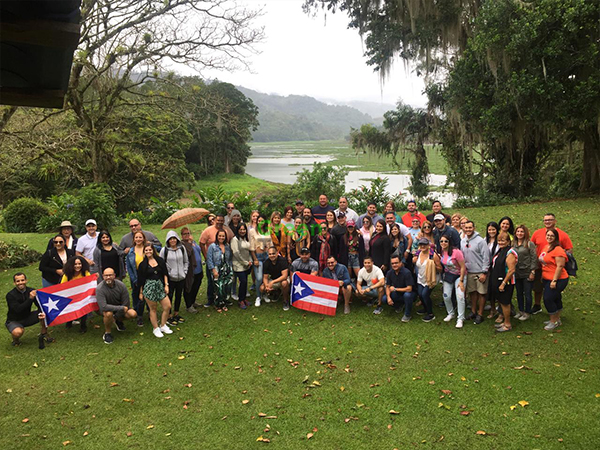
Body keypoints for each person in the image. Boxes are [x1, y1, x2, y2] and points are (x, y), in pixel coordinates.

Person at [531, 213, 573, 315]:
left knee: (552, 291)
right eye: (545, 220)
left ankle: (555, 311)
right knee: (538, 287)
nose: (547, 222)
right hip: (540, 265)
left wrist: (561, 260)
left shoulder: (562, 235)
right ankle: (537, 305)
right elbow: (531, 246)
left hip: (554, 268)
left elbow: (569, 249)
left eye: (550, 220)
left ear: (555, 221)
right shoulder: (537, 233)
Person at [5, 273, 54, 347]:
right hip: (14, 320)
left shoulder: (31, 291)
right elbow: (18, 309)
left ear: (26, 280)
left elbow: (39, 305)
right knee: (17, 332)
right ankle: (16, 340)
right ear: (14, 283)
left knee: (44, 312)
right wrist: (30, 299)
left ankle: (44, 334)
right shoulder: (10, 295)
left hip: (28, 316)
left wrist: (41, 313)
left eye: (22, 280)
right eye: (18, 281)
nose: (20, 282)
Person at [137, 243, 172, 338]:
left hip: (160, 286)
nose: (148, 252)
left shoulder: (160, 261)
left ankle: (163, 325)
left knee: (167, 306)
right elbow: (140, 280)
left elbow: (165, 273)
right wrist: (140, 292)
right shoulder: (142, 265)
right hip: (149, 287)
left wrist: (166, 285)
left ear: (153, 250)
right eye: (146, 250)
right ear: (144, 252)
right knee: (153, 309)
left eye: (150, 250)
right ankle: (155, 328)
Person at [199, 215, 234, 307]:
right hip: (213, 263)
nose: (220, 222)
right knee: (212, 282)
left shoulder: (227, 230)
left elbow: (233, 240)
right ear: (214, 220)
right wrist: (206, 257)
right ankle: (211, 300)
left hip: (225, 264)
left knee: (224, 283)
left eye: (222, 220)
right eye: (218, 220)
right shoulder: (208, 230)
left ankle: (224, 300)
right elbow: (202, 243)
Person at [96, 268, 138, 344]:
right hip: (107, 310)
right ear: (103, 276)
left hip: (120, 309)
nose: (108, 277)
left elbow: (126, 303)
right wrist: (120, 309)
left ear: (114, 275)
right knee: (109, 314)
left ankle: (118, 321)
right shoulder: (99, 288)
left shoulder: (121, 285)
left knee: (133, 314)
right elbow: (103, 307)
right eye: (106, 275)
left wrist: (116, 316)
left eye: (110, 275)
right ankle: (107, 333)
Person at [539, 228, 569, 331]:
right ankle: (557, 318)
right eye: (548, 235)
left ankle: (553, 321)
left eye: (552, 236)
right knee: (556, 297)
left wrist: (554, 280)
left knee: (548, 298)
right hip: (547, 278)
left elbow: (560, 266)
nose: (549, 237)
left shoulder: (558, 250)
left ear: (556, 237)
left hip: (558, 279)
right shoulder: (546, 247)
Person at [461, 221, 490, 325]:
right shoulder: (463, 241)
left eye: (470, 228)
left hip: (480, 272)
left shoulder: (480, 241)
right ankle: (473, 311)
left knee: (481, 293)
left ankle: (480, 314)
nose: (468, 229)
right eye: (466, 228)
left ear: (474, 228)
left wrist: (484, 272)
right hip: (469, 271)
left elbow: (486, 257)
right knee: (472, 292)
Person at [489, 231, 518, 332]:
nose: (500, 242)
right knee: (501, 302)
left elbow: (511, 270)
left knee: (505, 303)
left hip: (506, 282)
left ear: (508, 241)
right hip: (498, 280)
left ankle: (508, 324)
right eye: (499, 240)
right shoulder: (501, 251)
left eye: (503, 240)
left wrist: (503, 283)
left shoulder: (510, 253)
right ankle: (505, 321)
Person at [160, 231, 189, 325]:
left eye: (174, 238)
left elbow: (186, 261)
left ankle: (176, 313)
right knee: (170, 296)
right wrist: (168, 273)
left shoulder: (182, 248)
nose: (172, 241)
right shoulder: (164, 250)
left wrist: (184, 272)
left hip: (181, 277)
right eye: (170, 239)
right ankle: (169, 315)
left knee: (178, 296)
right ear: (168, 240)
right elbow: (162, 264)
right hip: (170, 278)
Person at [439, 236, 467, 328]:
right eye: (441, 241)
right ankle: (451, 313)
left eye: (446, 241)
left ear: (449, 242)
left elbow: (463, 267)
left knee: (460, 297)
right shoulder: (442, 251)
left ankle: (460, 318)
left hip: (460, 275)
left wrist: (462, 281)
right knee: (446, 296)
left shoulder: (456, 252)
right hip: (448, 275)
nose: (443, 243)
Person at [413, 238, 442, 322]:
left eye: (424, 244)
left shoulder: (433, 255)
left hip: (431, 279)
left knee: (425, 294)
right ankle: (425, 309)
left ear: (428, 245)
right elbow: (415, 262)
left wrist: (432, 265)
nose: (422, 246)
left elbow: (440, 269)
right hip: (421, 278)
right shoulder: (418, 253)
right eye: (421, 244)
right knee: (420, 294)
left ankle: (430, 314)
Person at [512, 225, 537, 321]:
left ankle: (527, 312)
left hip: (527, 272)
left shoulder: (529, 244)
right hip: (517, 272)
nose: (519, 233)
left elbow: (534, 258)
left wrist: (533, 271)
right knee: (518, 293)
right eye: (518, 231)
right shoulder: (513, 244)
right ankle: (521, 310)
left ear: (525, 233)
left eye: (521, 231)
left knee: (527, 293)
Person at [380, 255, 416, 321]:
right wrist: (388, 297)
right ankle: (399, 306)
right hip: (397, 293)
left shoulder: (406, 272)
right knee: (384, 298)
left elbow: (409, 289)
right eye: (392, 263)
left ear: (400, 263)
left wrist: (395, 289)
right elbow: (387, 286)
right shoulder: (389, 273)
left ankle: (407, 314)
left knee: (407, 295)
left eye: (396, 263)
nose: (394, 265)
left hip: (410, 293)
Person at [61, 255, 91, 332]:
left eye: (79, 264)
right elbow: (62, 286)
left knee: (84, 308)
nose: (78, 266)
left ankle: (83, 325)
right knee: (70, 309)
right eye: (75, 264)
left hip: (82, 296)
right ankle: (69, 322)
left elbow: (90, 283)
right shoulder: (67, 275)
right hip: (71, 296)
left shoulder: (86, 273)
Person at [206, 229, 233, 312]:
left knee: (227, 286)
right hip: (217, 268)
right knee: (219, 287)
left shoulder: (227, 246)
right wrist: (213, 270)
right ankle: (218, 304)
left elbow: (230, 258)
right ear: (217, 237)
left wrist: (231, 268)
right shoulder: (212, 246)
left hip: (227, 268)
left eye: (223, 236)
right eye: (220, 236)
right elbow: (209, 259)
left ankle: (224, 302)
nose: (221, 237)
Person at [231, 223, 257, 309]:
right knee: (243, 281)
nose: (242, 231)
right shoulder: (235, 240)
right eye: (240, 229)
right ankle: (240, 300)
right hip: (238, 265)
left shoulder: (246, 239)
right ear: (237, 230)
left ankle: (244, 298)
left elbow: (249, 251)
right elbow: (236, 253)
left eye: (244, 229)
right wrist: (245, 262)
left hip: (247, 264)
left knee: (245, 281)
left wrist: (250, 261)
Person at [249, 215, 272, 307]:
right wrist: (254, 259)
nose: (261, 223)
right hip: (258, 257)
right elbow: (251, 246)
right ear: (256, 221)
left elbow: (270, 243)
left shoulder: (267, 231)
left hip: (266, 256)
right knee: (258, 278)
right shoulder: (252, 231)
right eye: (259, 221)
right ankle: (258, 296)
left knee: (266, 276)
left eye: (262, 221)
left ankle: (265, 294)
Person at [126, 231, 147, 326]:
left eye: (140, 237)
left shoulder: (147, 249)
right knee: (137, 296)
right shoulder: (131, 251)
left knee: (148, 295)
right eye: (136, 237)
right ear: (134, 239)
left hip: (147, 276)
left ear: (143, 238)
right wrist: (134, 279)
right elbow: (129, 267)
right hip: (136, 277)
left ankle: (151, 312)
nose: (138, 239)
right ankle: (139, 315)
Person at [180, 227, 203, 314]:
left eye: (188, 233)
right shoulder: (182, 245)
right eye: (185, 234)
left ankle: (193, 301)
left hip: (198, 269)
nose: (187, 235)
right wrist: (189, 243)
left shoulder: (193, 242)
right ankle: (189, 306)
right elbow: (188, 253)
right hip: (190, 271)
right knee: (189, 288)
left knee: (196, 286)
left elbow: (198, 251)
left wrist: (192, 242)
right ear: (182, 235)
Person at [261, 246, 291, 310]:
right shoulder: (266, 263)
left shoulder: (282, 260)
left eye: (273, 253)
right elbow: (265, 277)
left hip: (282, 279)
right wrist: (267, 286)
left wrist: (272, 282)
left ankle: (285, 301)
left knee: (284, 283)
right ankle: (276, 293)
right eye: (270, 254)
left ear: (277, 253)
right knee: (262, 288)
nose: (272, 255)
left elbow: (284, 276)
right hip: (273, 279)